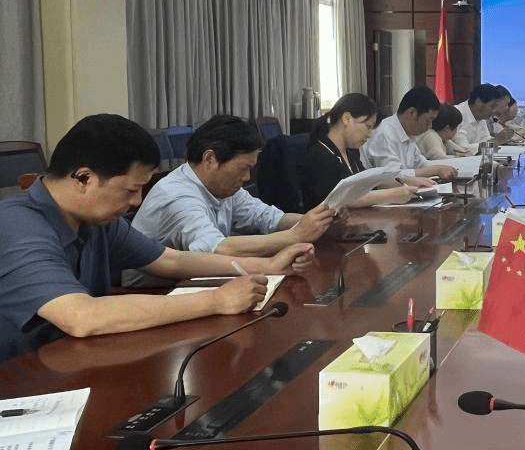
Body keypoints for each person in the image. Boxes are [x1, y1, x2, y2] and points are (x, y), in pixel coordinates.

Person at [0, 115, 313, 362]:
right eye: (131, 189)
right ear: (84, 178)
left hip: (77, 359)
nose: (137, 201)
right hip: (21, 378)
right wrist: (216, 300)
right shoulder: (18, 225)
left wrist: (267, 265)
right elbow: (82, 317)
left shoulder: (96, 221)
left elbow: (169, 260)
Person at [130, 115, 334, 263]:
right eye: (243, 168)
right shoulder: (178, 196)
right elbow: (216, 249)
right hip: (150, 292)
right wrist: (295, 236)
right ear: (210, 159)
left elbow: (267, 218)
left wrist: (321, 220)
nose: (247, 178)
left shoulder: (222, 188)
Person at [299, 94, 423, 209]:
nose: (369, 135)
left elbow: (366, 184)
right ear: (346, 118)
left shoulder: (351, 152)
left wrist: (404, 180)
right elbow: (338, 200)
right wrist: (391, 195)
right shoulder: (320, 154)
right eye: (368, 126)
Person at [359, 85, 458, 180]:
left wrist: (445, 167)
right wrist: (434, 170)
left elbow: (421, 164)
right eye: (428, 120)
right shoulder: (385, 134)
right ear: (412, 112)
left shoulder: (408, 133)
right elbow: (391, 177)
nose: (430, 126)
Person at [450, 83, 512, 155]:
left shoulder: (481, 117)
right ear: (479, 103)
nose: (494, 111)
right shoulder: (456, 114)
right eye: (492, 106)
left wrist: (501, 139)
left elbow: (485, 140)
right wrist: (495, 141)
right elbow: (462, 149)